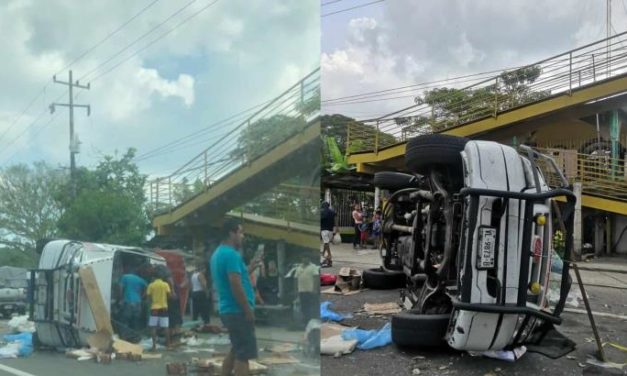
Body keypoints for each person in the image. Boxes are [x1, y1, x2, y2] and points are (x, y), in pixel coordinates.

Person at [211, 219, 257, 376]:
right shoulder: (231, 255)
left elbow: (238, 277)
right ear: (232, 233)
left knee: (236, 349)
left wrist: (251, 267)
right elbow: (235, 284)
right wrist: (247, 310)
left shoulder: (218, 253)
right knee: (243, 356)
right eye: (241, 232)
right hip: (238, 311)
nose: (242, 236)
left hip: (228, 309)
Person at [146, 270, 172, 351]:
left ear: (154, 277)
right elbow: (169, 295)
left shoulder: (151, 285)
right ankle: (168, 345)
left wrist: (151, 303)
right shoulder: (165, 284)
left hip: (154, 308)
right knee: (165, 327)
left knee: (153, 327)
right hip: (164, 307)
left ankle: (154, 346)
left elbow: (148, 297)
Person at [118, 268, 147, 339]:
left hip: (128, 301)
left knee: (125, 319)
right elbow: (148, 287)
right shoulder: (139, 279)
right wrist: (143, 296)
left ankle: (124, 336)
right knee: (136, 320)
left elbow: (120, 288)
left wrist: (120, 298)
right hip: (138, 302)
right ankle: (135, 336)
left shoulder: (124, 277)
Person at [294, 255, 319, 326]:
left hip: (310, 291)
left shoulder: (313, 267)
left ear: (309, 259)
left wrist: (315, 289)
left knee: (311, 306)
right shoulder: (298, 268)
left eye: (306, 258)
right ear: (301, 259)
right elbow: (295, 279)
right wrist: (296, 289)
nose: (305, 259)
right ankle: (305, 321)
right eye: (303, 258)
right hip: (301, 291)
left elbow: (316, 278)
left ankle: (312, 321)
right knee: (304, 307)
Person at [320, 201, 336, 267]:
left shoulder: (322, 211)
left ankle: (329, 255)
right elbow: (336, 218)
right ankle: (323, 253)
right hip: (331, 230)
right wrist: (337, 227)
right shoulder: (332, 211)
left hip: (324, 229)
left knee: (326, 243)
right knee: (326, 242)